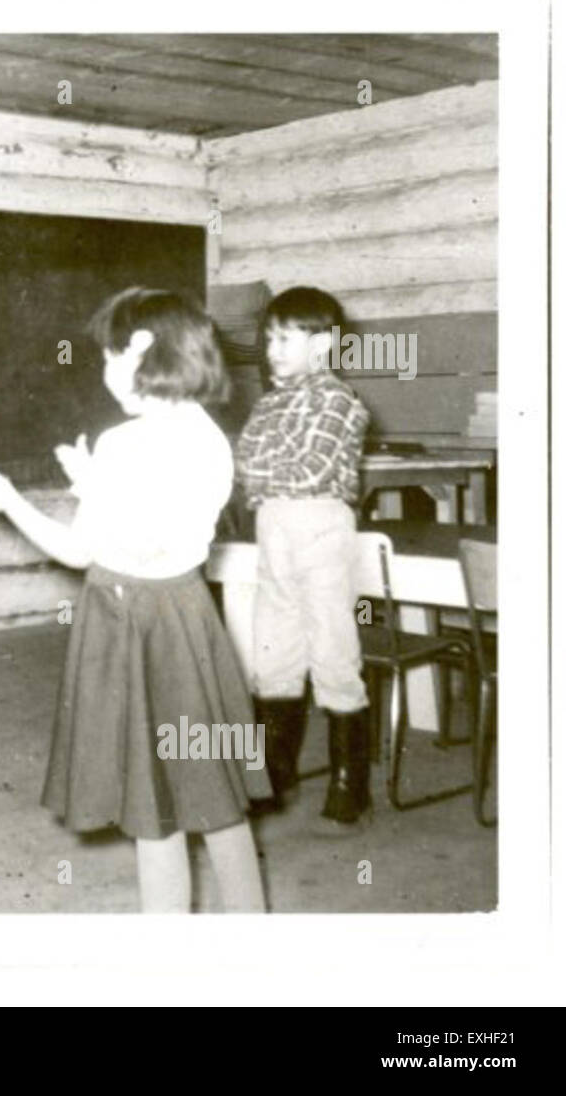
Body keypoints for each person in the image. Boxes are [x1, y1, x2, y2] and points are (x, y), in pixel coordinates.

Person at [0, 288, 267, 912]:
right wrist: (61, 492)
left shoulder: (148, 444)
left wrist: (53, 495)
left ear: (139, 351)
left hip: (155, 623)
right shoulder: (183, 436)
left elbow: (121, 547)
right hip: (158, 619)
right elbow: (116, 542)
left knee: (178, 800)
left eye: (108, 353)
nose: (103, 369)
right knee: (188, 801)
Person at [234, 287, 373, 828]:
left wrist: (263, 468)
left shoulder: (339, 398)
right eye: (269, 337)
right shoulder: (269, 402)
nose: (273, 348)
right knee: (275, 653)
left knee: (334, 651)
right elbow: (247, 462)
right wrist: (264, 468)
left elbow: (309, 470)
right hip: (274, 528)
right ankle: (274, 770)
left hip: (320, 527)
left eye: (286, 337)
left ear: (325, 343)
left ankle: (349, 782)